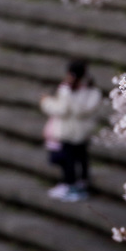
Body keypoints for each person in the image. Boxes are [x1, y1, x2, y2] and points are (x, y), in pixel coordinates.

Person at [40, 59, 102, 202]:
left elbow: (61, 109)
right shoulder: (92, 91)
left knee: (68, 160)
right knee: (82, 158)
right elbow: (90, 108)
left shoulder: (66, 91)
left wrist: (45, 102)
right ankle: (83, 183)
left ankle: (69, 185)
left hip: (68, 131)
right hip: (84, 132)